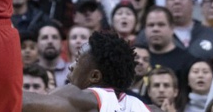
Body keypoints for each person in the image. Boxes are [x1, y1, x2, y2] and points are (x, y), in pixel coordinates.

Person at [22, 30, 158, 111]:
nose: (71, 66)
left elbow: (24, 103)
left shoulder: (81, 98)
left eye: (77, 59)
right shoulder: (147, 108)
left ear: (94, 76)